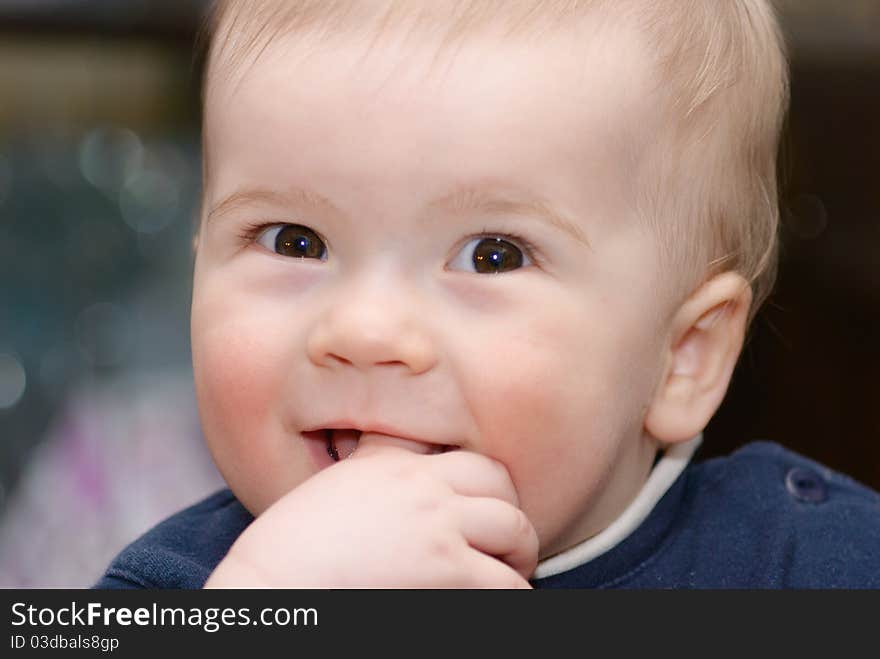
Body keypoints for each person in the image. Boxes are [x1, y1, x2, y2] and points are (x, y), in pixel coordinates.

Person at [95, 0, 880, 589]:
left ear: (683, 358)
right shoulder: (186, 584)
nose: (365, 329)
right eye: (295, 241)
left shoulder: (806, 565)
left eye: (490, 255)